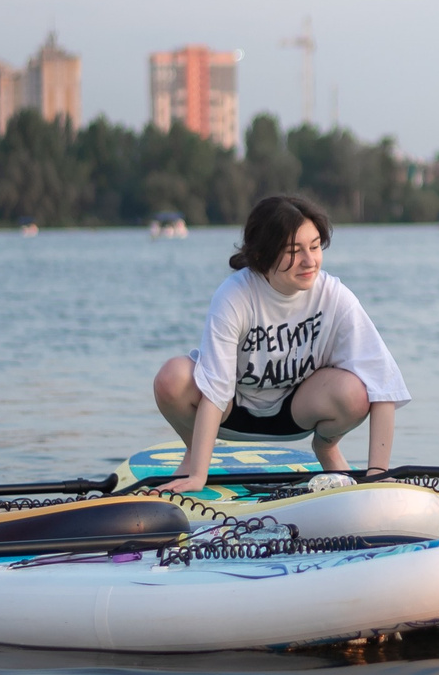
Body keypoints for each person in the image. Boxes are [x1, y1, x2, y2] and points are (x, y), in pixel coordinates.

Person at [152, 194, 408, 489]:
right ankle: (193, 454)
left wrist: (377, 474)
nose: (309, 260)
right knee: (172, 377)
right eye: (293, 251)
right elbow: (215, 388)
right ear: (262, 255)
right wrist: (199, 475)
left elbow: (383, 384)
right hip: (229, 411)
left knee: (356, 391)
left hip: (297, 413)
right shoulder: (235, 295)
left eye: (314, 247)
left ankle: (326, 449)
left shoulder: (334, 296)